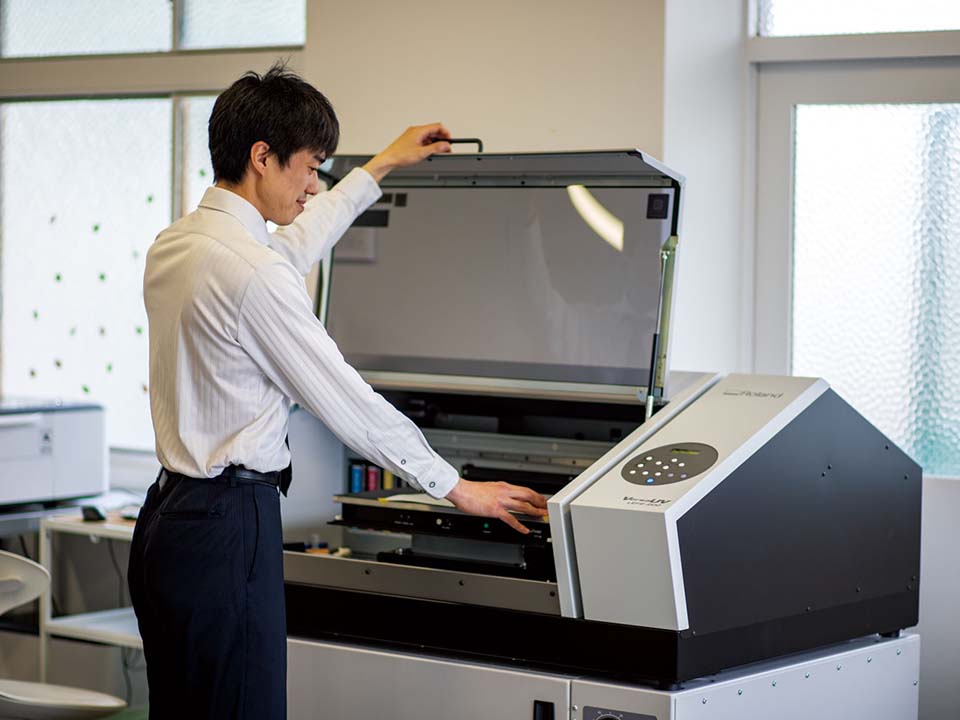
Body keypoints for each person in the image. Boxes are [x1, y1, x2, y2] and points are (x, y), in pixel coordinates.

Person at [127, 63, 548, 719]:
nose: (312, 185)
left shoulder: (178, 244)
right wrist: (457, 488)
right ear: (261, 157)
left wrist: (381, 165)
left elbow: (293, 244)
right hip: (227, 528)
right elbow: (346, 400)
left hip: (167, 523)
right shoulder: (253, 273)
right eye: (309, 167)